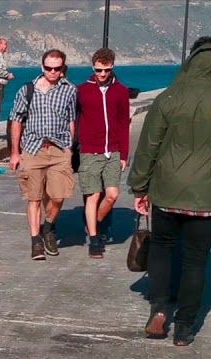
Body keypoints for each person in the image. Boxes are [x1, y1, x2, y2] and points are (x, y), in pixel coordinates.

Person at [128, 37, 211, 346]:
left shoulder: (169, 97)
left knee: (161, 247)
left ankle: (159, 309)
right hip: (209, 196)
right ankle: (184, 327)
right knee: (196, 260)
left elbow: (149, 146)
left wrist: (140, 186)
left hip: (167, 190)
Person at [8, 49, 78, 261]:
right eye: (48, 68)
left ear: (62, 68)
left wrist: (70, 148)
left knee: (58, 196)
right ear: (42, 67)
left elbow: (71, 119)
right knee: (33, 197)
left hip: (59, 150)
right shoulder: (27, 90)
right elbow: (16, 120)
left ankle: (48, 227)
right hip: (33, 148)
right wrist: (15, 152)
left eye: (57, 68)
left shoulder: (70, 91)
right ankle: (36, 240)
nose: (52, 72)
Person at [75, 47, 131, 259]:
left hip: (113, 152)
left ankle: (93, 223)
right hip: (90, 151)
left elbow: (124, 123)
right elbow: (74, 119)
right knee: (93, 195)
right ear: (93, 67)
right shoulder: (81, 90)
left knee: (112, 196)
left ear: (112, 67)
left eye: (106, 70)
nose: (102, 74)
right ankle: (95, 240)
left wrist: (124, 154)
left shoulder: (121, 91)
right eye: (99, 70)